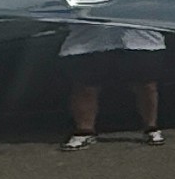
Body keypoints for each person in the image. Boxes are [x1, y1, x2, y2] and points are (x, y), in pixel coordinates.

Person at [57, 18, 166, 148]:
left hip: (142, 40)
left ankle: (151, 128)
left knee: (146, 85)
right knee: (85, 86)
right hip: (87, 41)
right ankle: (84, 131)